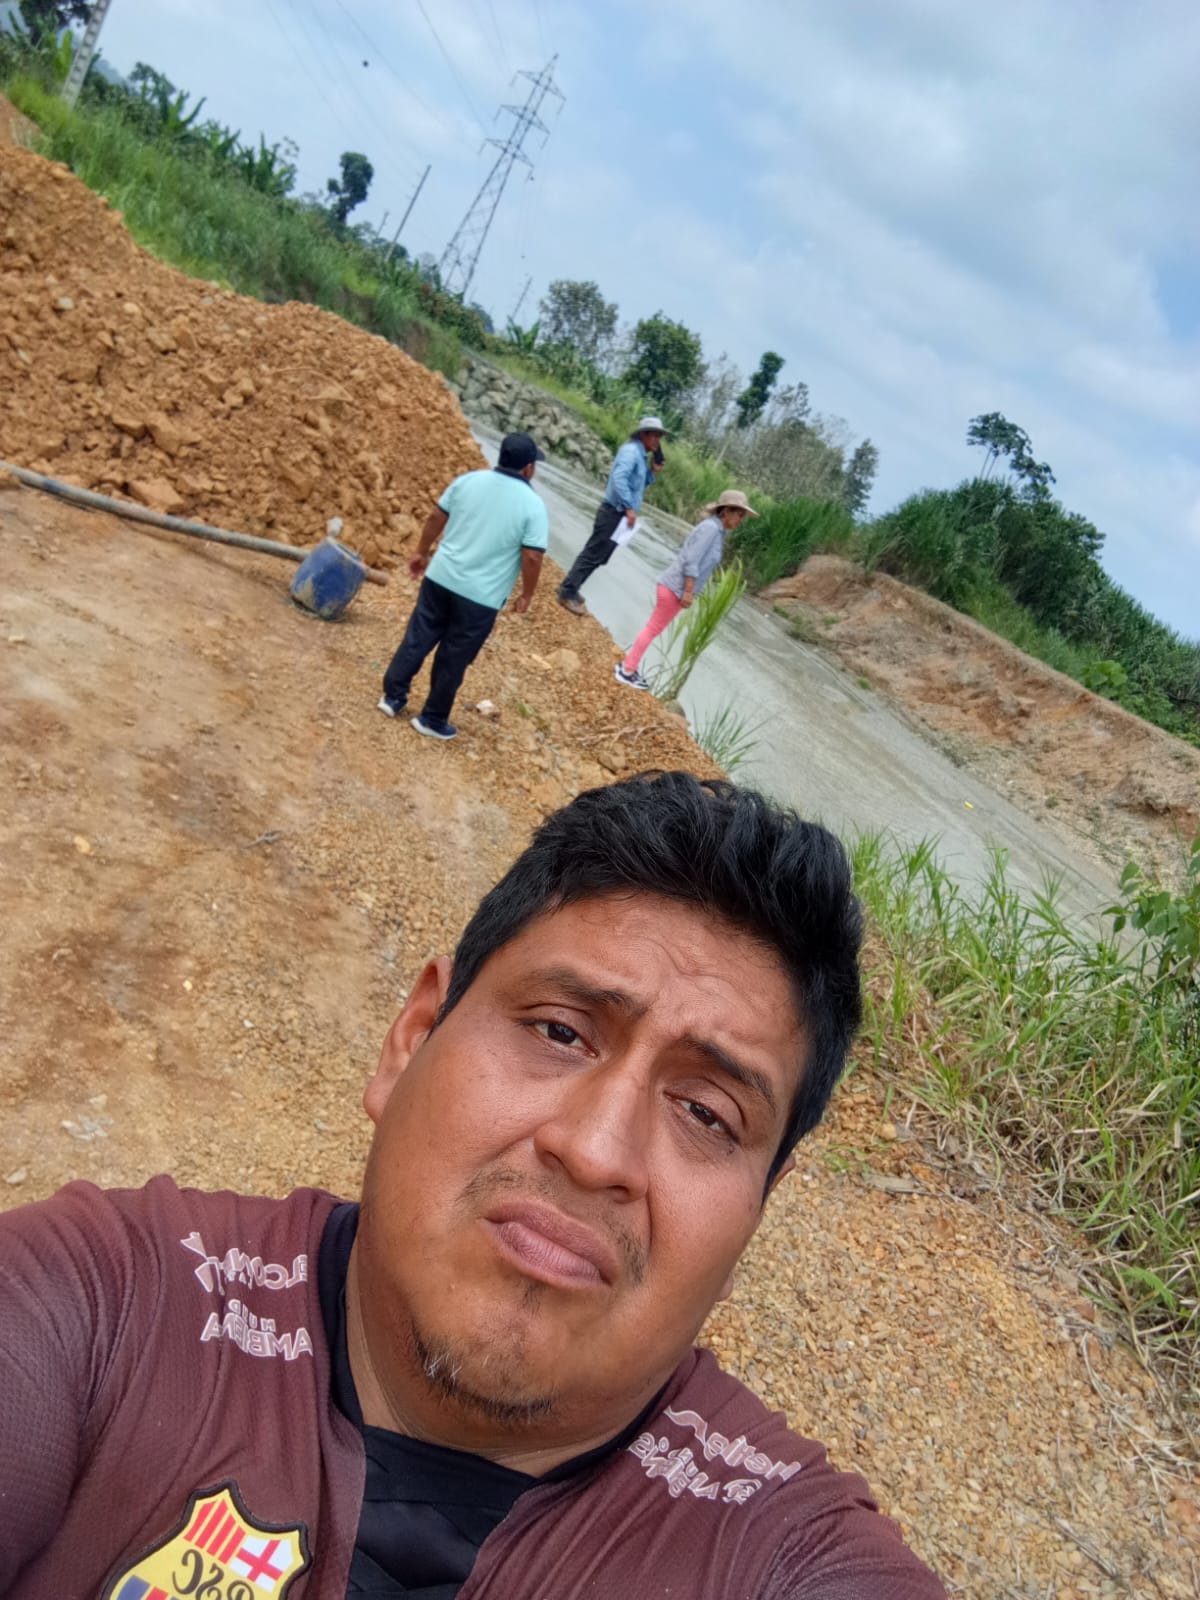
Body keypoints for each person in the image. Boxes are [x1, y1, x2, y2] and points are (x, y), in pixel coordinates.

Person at [0, 773, 945, 1600]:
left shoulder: (774, 1551)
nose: (596, 1153)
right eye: (559, 1032)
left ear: (755, 1216)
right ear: (411, 1039)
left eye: (706, 1113)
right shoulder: (107, 1305)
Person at [377, 432, 549, 742]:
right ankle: (432, 719)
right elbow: (533, 556)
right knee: (454, 656)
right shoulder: (533, 506)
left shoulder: (468, 481)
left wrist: (421, 552)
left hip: (441, 577)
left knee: (418, 636)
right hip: (480, 597)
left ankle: (392, 697)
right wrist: (526, 594)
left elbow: (436, 516)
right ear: (528, 468)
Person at [616, 489, 757, 690]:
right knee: (652, 628)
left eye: (743, 516)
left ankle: (629, 666)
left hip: (674, 587)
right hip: (675, 588)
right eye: (740, 515)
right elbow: (691, 560)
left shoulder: (717, 531)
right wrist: (689, 591)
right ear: (726, 511)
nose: (741, 520)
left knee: (652, 628)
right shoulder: (710, 529)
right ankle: (627, 670)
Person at [556, 416, 666, 616]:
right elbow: (619, 478)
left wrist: (653, 471)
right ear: (644, 434)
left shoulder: (640, 456)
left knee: (599, 556)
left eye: (659, 437)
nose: (658, 441)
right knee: (593, 554)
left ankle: (571, 586)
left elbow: (637, 485)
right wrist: (629, 508)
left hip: (619, 514)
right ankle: (567, 591)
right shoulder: (632, 452)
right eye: (655, 436)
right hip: (613, 512)